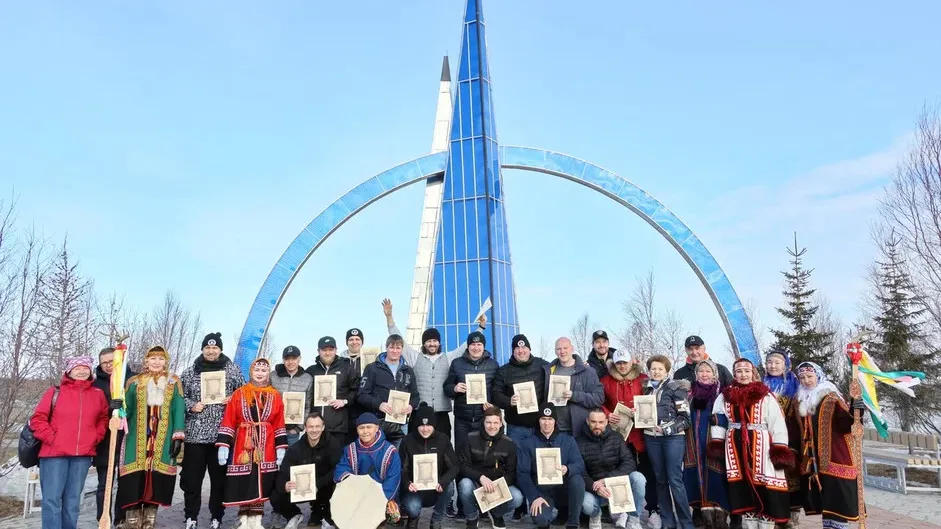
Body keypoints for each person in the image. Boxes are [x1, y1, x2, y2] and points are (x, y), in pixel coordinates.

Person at [709, 358, 794, 529]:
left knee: (765, 485)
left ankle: (766, 525)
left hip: (762, 445)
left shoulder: (765, 395)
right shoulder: (726, 395)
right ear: (734, 374)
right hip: (735, 445)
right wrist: (717, 443)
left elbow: (777, 422)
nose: (743, 375)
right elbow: (718, 420)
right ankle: (750, 525)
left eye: (747, 371)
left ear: (753, 373)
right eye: (739, 371)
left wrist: (780, 448)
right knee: (744, 489)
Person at [384, 298, 484, 439]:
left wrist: (481, 328)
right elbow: (399, 340)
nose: (432, 344)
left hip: (441, 412)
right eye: (429, 341)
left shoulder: (448, 358)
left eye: (435, 341)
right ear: (424, 344)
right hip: (419, 411)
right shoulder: (415, 357)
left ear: (439, 343)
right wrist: (389, 317)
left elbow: (465, 346)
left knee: (443, 445)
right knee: (417, 446)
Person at [31, 355, 110, 529]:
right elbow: (38, 419)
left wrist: (95, 437)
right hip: (54, 455)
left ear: (90, 371)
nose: (81, 371)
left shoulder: (97, 395)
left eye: (85, 368)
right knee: (52, 500)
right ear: (69, 370)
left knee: (72, 501)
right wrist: (52, 438)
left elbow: (104, 419)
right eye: (77, 368)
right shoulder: (55, 392)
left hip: (82, 456)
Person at [114, 346, 186, 529]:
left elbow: (178, 409)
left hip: (162, 440)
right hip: (136, 440)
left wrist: (178, 436)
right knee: (133, 479)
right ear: (146, 361)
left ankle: (149, 522)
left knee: (157, 480)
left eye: (160, 359)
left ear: (165, 361)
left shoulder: (173, 382)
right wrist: (118, 408)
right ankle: (131, 521)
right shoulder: (134, 382)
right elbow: (127, 409)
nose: (156, 362)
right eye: (152, 358)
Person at [180, 332, 246, 529]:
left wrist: (232, 398)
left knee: (218, 482)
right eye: (207, 348)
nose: (211, 351)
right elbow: (177, 397)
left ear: (220, 349)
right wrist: (191, 404)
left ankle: (216, 517)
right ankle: (191, 517)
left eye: (214, 348)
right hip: (195, 436)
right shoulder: (190, 371)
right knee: (192, 481)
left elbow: (244, 392)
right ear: (202, 349)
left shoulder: (232, 370)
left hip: (221, 436)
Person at [216, 357, 288, 529]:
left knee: (262, 481)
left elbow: (279, 421)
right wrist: (224, 444)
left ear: (267, 373)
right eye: (257, 370)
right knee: (245, 480)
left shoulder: (275, 395)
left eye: (264, 371)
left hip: (266, 444)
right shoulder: (239, 393)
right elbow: (229, 419)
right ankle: (243, 520)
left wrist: (281, 447)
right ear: (251, 372)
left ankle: (256, 520)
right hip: (243, 444)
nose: (260, 373)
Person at [795, 361, 863, 529]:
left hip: (835, 456)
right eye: (802, 377)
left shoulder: (831, 397)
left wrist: (856, 410)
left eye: (810, 376)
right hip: (814, 461)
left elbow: (846, 424)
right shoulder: (801, 399)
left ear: (818, 376)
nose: (806, 381)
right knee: (826, 503)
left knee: (838, 502)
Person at [489, 334, 549, 521]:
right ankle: (520, 506)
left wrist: (581, 363)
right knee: (517, 465)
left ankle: (540, 504)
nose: (521, 351)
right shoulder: (504, 371)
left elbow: (564, 368)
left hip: (540, 427)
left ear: (529, 349)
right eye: (517, 349)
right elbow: (495, 394)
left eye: (524, 348)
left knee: (539, 466)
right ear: (513, 351)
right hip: (517, 427)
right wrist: (509, 401)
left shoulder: (542, 365)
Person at [600, 349, 660, 528]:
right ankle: (622, 510)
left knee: (647, 473)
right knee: (621, 473)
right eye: (618, 363)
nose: (622, 366)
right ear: (614, 364)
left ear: (631, 363)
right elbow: (598, 402)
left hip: (641, 435)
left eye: (625, 362)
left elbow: (655, 399)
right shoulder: (606, 381)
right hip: (618, 435)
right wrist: (607, 414)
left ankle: (653, 510)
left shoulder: (643, 379)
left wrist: (643, 412)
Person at [643, 354, 694, 529]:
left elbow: (685, 418)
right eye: (653, 369)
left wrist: (667, 428)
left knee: (675, 480)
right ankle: (668, 522)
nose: (656, 372)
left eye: (660, 369)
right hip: (651, 438)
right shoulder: (646, 390)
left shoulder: (676, 388)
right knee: (660, 480)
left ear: (666, 371)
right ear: (648, 371)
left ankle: (687, 523)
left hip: (672, 438)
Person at [518, 403, 587, 529]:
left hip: (563, 489)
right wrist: (534, 497)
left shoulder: (568, 440)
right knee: (541, 520)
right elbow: (522, 474)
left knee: (577, 480)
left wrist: (567, 469)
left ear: (555, 421)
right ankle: (546, 516)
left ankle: (573, 523)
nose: (546, 423)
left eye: (550, 419)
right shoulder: (528, 443)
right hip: (541, 491)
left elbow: (579, 464)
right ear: (538, 421)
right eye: (543, 419)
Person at [577, 408, 647, 529]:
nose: (597, 425)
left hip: (618, 488)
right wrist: (596, 487)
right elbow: (579, 471)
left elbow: (630, 463)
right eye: (593, 422)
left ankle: (633, 520)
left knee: (638, 478)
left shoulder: (616, 437)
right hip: (596, 490)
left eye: (600, 422)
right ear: (587, 421)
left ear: (606, 422)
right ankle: (595, 515)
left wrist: (607, 480)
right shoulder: (579, 441)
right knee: (586, 503)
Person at [456, 406, 524, 529]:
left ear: (501, 423)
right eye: (488, 422)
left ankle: (496, 513)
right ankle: (472, 518)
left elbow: (511, 472)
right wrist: (480, 477)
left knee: (517, 497)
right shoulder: (470, 438)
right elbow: (462, 465)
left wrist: (496, 486)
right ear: (483, 422)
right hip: (475, 481)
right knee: (464, 485)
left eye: (495, 423)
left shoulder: (509, 443)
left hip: (497, 484)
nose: (492, 426)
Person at [271, 412, 342, 529]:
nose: (314, 430)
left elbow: (337, 469)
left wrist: (318, 484)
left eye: (317, 426)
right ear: (305, 427)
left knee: (337, 484)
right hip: (300, 487)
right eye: (311, 426)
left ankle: (322, 514)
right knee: (275, 493)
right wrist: (284, 485)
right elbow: (283, 472)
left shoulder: (332, 444)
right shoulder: (296, 448)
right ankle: (294, 514)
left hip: (323, 487)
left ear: (323, 427)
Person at [682, 360, 730, 529]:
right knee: (695, 474)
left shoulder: (722, 394)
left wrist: (720, 419)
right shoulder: (689, 394)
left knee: (716, 475)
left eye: (708, 371)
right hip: (693, 441)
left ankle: (720, 516)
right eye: (701, 371)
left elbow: (731, 415)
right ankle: (701, 514)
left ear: (714, 374)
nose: (704, 374)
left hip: (713, 440)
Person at [334, 413, 403, 525]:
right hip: (356, 495)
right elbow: (341, 470)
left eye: (369, 427)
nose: (365, 431)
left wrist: (375, 500)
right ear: (357, 430)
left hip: (380, 498)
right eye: (361, 428)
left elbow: (393, 480)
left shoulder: (390, 451)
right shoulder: (350, 449)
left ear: (377, 428)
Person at [399, 403, 460, 529]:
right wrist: (407, 483)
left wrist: (443, 481)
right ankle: (413, 518)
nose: (425, 429)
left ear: (434, 425)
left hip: (436, 488)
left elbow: (454, 466)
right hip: (414, 490)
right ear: (416, 425)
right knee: (413, 508)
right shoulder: (407, 441)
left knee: (449, 487)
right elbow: (401, 468)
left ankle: (436, 520)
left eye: (428, 425)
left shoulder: (442, 439)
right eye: (421, 425)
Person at [93, 347, 135, 523]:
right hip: (105, 442)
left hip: (127, 438)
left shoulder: (132, 380)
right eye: (105, 363)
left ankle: (120, 519)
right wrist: (109, 407)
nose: (109, 365)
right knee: (105, 483)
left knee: (125, 482)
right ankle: (103, 518)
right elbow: (92, 412)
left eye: (112, 361)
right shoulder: (95, 385)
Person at [357, 333, 420, 449]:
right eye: (392, 347)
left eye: (398, 348)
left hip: (401, 424)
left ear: (402, 349)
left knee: (399, 458)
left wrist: (411, 406)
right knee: (378, 457)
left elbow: (415, 395)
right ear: (386, 348)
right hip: (378, 422)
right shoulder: (372, 368)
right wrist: (379, 404)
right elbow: (362, 395)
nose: (395, 351)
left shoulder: (408, 371)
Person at [763, 348, 802, 529]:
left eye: (777, 362)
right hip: (766, 437)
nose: (773, 366)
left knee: (789, 475)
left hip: (790, 435)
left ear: (785, 365)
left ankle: (791, 517)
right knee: (770, 474)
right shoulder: (760, 384)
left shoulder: (795, 384)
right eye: (770, 362)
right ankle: (772, 513)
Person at [444, 331, 500, 450]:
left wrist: (493, 405)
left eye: (479, 344)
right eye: (473, 345)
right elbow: (447, 387)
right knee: (462, 453)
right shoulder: (457, 363)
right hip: (462, 420)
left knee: (482, 454)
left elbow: (497, 390)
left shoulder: (493, 365)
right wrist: (455, 388)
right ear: (468, 346)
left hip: (484, 419)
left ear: (484, 346)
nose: (476, 348)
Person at [306, 336, 360, 448]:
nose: (327, 353)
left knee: (336, 461)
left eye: (330, 350)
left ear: (336, 350)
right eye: (324, 350)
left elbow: (357, 390)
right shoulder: (311, 371)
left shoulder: (347, 368)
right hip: (315, 428)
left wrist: (344, 401)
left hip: (338, 428)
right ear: (318, 351)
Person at [546, 337, 604, 435]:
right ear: (555, 351)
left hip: (579, 430)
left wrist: (574, 396)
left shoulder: (588, 371)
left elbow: (598, 398)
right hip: (555, 430)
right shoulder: (549, 371)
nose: (562, 351)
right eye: (559, 349)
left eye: (565, 348)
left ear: (572, 349)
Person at [271, 345, 313, 445]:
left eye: (294, 358)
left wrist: (299, 427)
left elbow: (307, 406)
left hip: (292, 432)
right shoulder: (272, 375)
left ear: (299, 359)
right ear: (283, 360)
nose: (290, 362)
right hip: (273, 429)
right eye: (287, 359)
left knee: (290, 459)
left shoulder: (307, 378)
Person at [339, 327, 367, 442]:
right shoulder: (339, 361)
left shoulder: (370, 359)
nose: (354, 342)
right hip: (345, 410)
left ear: (362, 342)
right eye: (351, 339)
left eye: (357, 339)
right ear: (346, 342)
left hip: (364, 407)